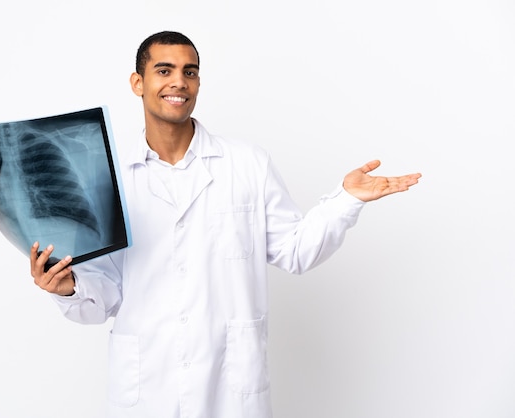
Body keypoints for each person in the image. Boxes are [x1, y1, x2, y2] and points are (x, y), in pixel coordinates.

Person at [30, 31, 421, 418]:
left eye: (190, 72)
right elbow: (108, 295)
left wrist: (346, 199)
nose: (178, 82)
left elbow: (296, 251)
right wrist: (69, 288)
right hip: (146, 389)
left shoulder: (248, 165)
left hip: (230, 391)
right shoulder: (108, 180)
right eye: (164, 70)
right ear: (138, 83)